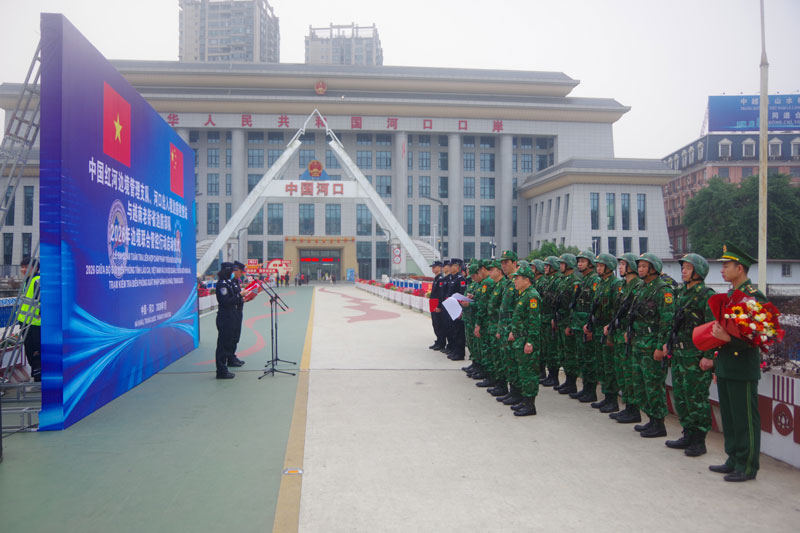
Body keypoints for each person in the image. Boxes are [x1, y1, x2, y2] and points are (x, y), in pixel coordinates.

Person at [702, 242, 764, 481]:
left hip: (742, 366)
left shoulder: (753, 297)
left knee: (745, 417)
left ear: (740, 268)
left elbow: (757, 337)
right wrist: (718, 359)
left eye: (726, 266)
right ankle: (733, 458)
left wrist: (728, 338)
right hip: (727, 364)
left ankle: (747, 465)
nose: (722, 270)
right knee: (729, 416)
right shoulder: (729, 297)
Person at [663, 253, 715, 457]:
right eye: (683, 267)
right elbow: (674, 322)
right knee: (682, 396)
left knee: (697, 398)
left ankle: (699, 440)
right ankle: (687, 433)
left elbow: (712, 327)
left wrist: (708, 355)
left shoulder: (706, 295)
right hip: (679, 353)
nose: (683, 271)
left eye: (687, 268)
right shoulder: (681, 292)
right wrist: (669, 343)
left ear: (698, 271)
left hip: (695, 355)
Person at [626, 253, 675, 438]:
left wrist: (660, 345)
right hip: (639, 343)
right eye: (639, 266)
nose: (640, 269)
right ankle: (650, 419)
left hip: (651, 344)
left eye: (644, 266)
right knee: (641, 384)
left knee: (654, 384)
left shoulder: (664, 291)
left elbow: (666, 321)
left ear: (653, 268)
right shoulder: (642, 289)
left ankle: (659, 423)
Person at [587, 253, 622, 413]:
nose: (598, 268)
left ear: (609, 267)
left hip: (608, 328)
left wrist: (610, 328)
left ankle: (612, 399)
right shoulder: (601, 284)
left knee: (609, 366)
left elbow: (617, 309)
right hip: (598, 327)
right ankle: (606, 397)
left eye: (601, 265)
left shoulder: (615, 284)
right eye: (598, 265)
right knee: (601, 364)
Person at [507, 265, 542, 416]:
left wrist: (530, 342)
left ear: (526, 280)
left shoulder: (532, 296)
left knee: (529, 373)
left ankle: (530, 406)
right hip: (520, 338)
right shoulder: (523, 294)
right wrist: (514, 332)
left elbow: (535, 322)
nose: (515, 281)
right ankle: (524, 401)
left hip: (527, 340)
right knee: (522, 371)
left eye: (518, 278)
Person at [568, 250, 600, 403]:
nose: (579, 264)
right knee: (581, 358)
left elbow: (595, 306)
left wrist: (590, 327)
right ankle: (585, 389)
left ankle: (591, 390)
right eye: (578, 261)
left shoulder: (594, 280)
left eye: (583, 261)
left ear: (590, 263)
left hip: (587, 325)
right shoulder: (583, 280)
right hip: (579, 324)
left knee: (589, 359)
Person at [215, 262, 241, 379]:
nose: (232, 274)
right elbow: (225, 301)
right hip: (225, 317)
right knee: (223, 345)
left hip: (231, 316)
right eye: (231, 271)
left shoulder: (228, 283)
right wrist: (239, 296)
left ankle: (224, 367)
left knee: (229, 342)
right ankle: (221, 370)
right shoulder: (222, 285)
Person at [18, 256, 41, 382]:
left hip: (35, 325)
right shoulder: (28, 281)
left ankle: (39, 381)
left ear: (36, 268)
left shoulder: (37, 280)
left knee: (35, 353)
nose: (23, 270)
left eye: (27, 267)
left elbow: (42, 302)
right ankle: (37, 379)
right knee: (30, 352)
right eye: (22, 267)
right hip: (26, 323)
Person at [428, 260, 446, 351]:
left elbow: (440, 294)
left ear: (439, 267)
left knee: (439, 324)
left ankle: (441, 342)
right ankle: (438, 341)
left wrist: (439, 306)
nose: (433, 269)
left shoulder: (441, 279)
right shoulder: (436, 278)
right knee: (435, 324)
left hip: (437, 303)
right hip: (433, 302)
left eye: (434, 267)